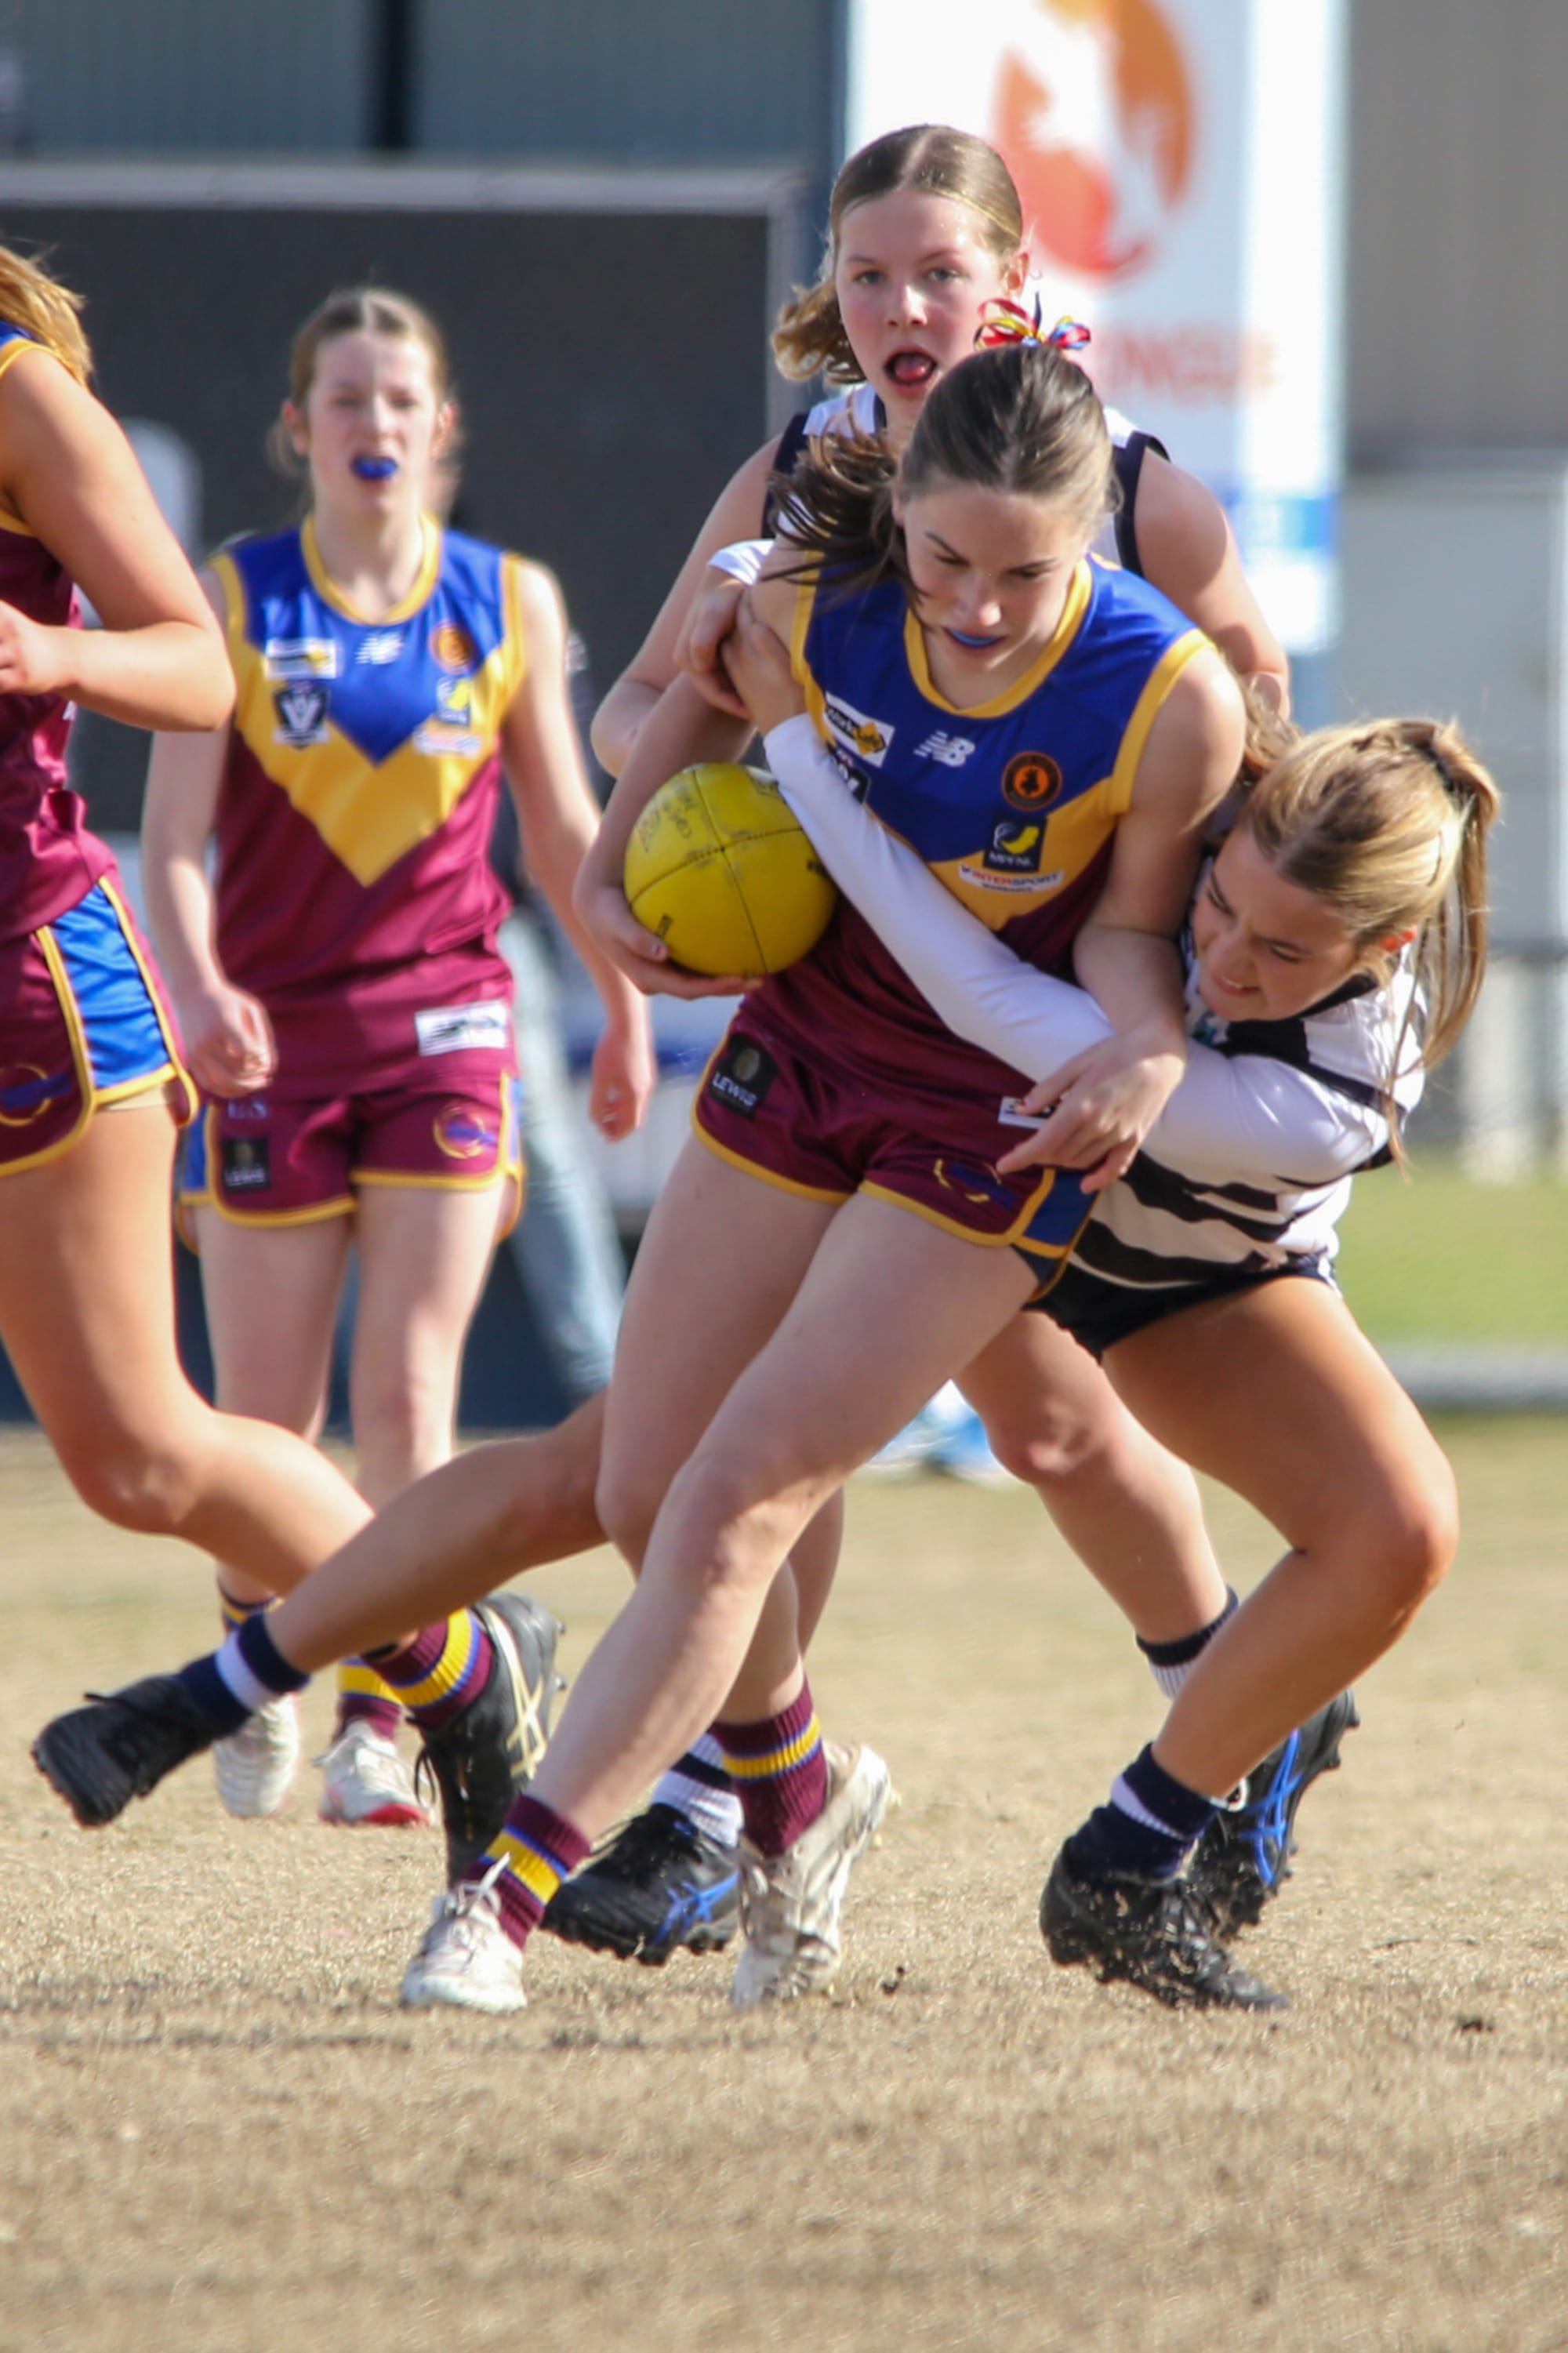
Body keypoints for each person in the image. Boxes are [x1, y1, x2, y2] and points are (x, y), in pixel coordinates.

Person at [556, 120, 1290, 1961]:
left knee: (1050, 1422)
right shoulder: (805, 482)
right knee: (735, 1452)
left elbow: (1257, 731)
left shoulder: (1135, 499)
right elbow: (651, 691)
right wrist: (654, 833)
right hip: (845, 1023)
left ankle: (1236, 1699)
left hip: (1053, 1050)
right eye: (867, 275)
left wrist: (1174, 999)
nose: (899, 308)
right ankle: (741, 1789)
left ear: (1015, 293)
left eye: (937, 273)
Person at [743, 637, 1495, 2003]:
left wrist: (798, 753)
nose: (1224, 956)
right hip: (994, 1180)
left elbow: (999, 1005)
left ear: (1379, 950)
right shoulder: (1189, 781)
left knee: (1405, 1525)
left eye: (1284, 951)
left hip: (1189, 1278)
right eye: (1219, 905)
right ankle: (724, 1790)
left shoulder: (1351, 1078)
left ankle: (1129, 1856)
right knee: (965, 1443)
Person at [0, 247, 554, 1883]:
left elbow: (191, 659)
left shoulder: (21, 395)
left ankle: (459, 1679)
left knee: (142, 1453)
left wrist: (51, 659)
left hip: (36, 975)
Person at [140, 288, 654, 1831]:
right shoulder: (229, 599)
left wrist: (622, 997)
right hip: (273, 1040)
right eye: (346, 400)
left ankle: (390, 1718)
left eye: (401, 400)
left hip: (449, 1021)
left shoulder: (508, 601)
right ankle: (259, 1647)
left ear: (445, 433)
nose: (376, 425)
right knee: (262, 1426)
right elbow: (171, 851)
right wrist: (198, 988)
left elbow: (563, 834)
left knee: (410, 1386)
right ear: (299, 431)